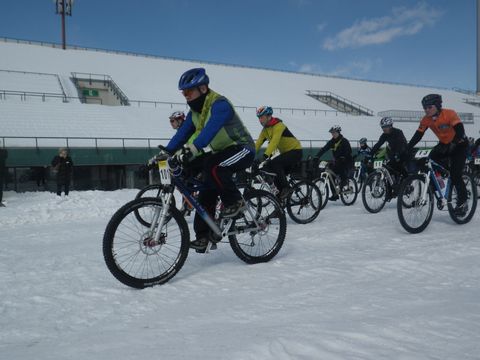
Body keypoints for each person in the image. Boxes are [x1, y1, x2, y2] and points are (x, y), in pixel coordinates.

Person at [164, 68, 255, 252]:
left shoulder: (220, 104)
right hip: (222, 151)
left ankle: (236, 202)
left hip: (242, 148)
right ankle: (204, 236)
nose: (186, 96)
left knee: (214, 167)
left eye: (189, 91)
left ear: (203, 88)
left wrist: (193, 148)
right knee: (205, 184)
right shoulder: (194, 112)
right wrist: (166, 152)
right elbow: (182, 134)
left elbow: (210, 130)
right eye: (183, 92)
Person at [407, 94, 469, 216]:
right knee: (428, 163)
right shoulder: (426, 119)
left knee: (456, 174)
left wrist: (455, 142)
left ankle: (463, 203)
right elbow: (418, 135)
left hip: (459, 144)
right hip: (444, 144)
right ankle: (437, 187)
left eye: (429, 107)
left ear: (437, 106)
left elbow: (460, 130)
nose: (426, 110)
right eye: (425, 108)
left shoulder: (449, 114)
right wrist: (407, 148)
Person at [254, 106, 303, 199]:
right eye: (259, 118)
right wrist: (250, 154)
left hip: (295, 151)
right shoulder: (265, 130)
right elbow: (258, 143)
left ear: (268, 116)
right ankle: (280, 200)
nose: (260, 120)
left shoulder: (279, 125)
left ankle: (286, 188)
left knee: (275, 163)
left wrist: (265, 155)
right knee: (269, 168)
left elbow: (274, 142)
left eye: (262, 117)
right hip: (286, 153)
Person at [316, 125, 353, 193]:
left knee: (342, 169)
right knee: (330, 175)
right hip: (337, 161)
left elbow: (349, 151)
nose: (333, 134)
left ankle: (344, 182)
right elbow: (324, 149)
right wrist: (317, 156)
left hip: (346, 161)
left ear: (338, 132)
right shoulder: (332, 142)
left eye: (334, 132)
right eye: (332, 133)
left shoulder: (344, 141)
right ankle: (334, 194)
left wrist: (343, 157)